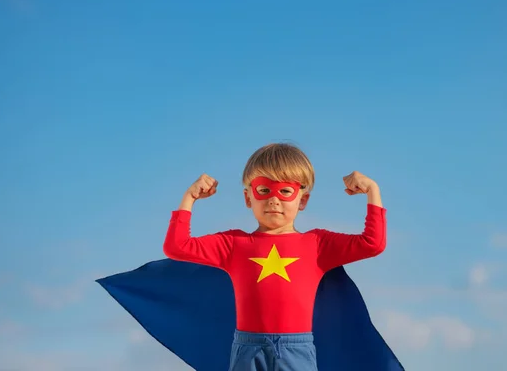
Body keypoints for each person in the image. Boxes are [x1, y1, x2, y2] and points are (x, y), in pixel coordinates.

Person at [162, 142, 387, 371]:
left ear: (303, 200)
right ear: (248, 198)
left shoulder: (318, 244)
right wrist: (189, 198)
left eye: (285, 191)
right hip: (247, 350)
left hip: (297, 350)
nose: (274, 199)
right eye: (263, 190)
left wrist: (372, 190)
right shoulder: (233, 244)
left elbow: (372, 243)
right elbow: (177, 246)